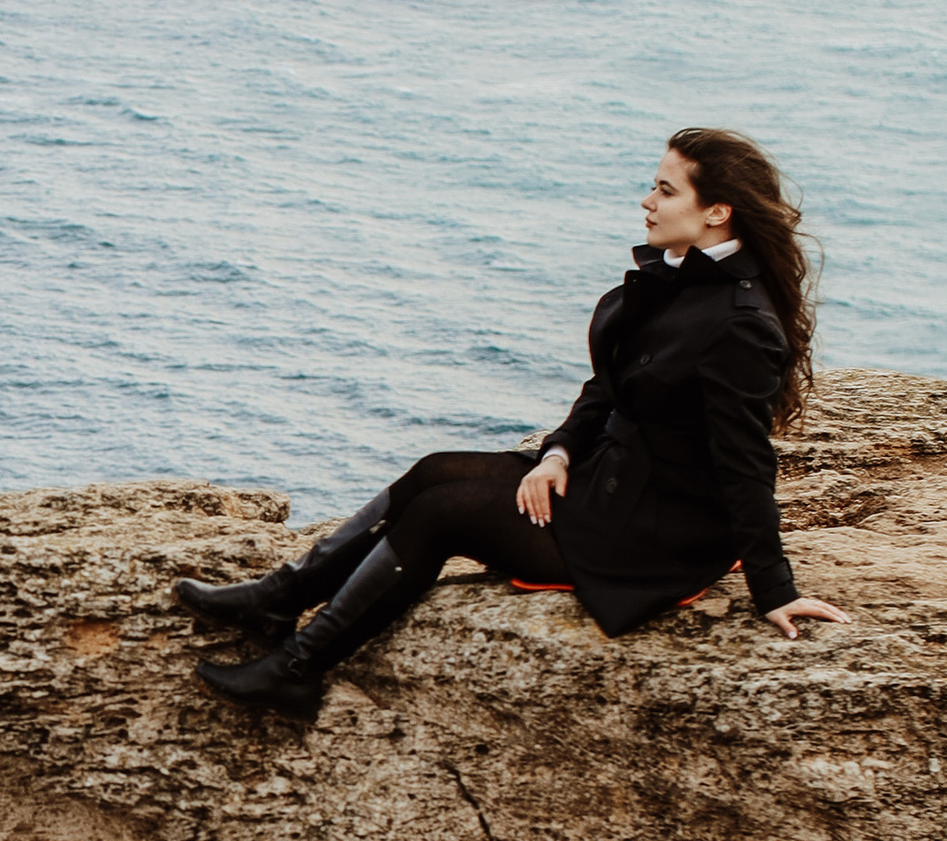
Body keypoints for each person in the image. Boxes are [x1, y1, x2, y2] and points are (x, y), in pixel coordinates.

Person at [180, 129, 852, 711]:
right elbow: (608, 389)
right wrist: (558, 454)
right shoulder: (683, 279)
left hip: (650, 532)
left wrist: (775, 588)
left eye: (666, 190)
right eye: (653, 186)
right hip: (607, 483)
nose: (648, 202)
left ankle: (298, 670)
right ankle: (278, 599)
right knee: (433, 472)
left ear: (717, 213)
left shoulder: (739, 323)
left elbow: (744, 462)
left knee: (441, 513)